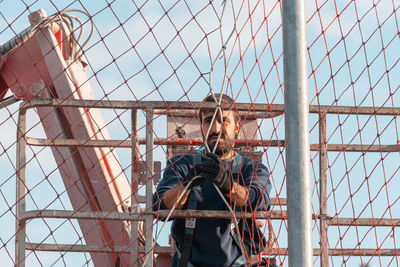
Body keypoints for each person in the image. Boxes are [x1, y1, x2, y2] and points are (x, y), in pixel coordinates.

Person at [153, 93, 275, 267]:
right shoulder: (182, 165)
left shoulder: (252, 168)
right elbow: (159, 206)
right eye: (209, 120)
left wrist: (226, 184)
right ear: (201, 126)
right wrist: (186, 186)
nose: (216, 129)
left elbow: (258, 200)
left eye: (224, 121)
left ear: (237, 127)